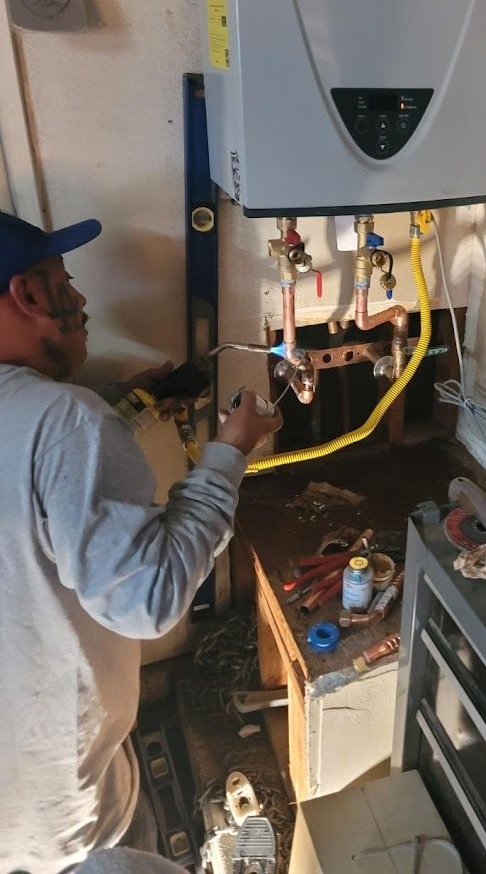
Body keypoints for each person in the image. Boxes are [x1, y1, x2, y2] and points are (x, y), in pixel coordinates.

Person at [0, 211, 281, 873]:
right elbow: (146, 601)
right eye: (63, 282)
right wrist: (228, 453)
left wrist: (120, 406)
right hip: (68, 820)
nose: (83, 300)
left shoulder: (58, 418)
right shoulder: (64, 419)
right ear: (30, 296)